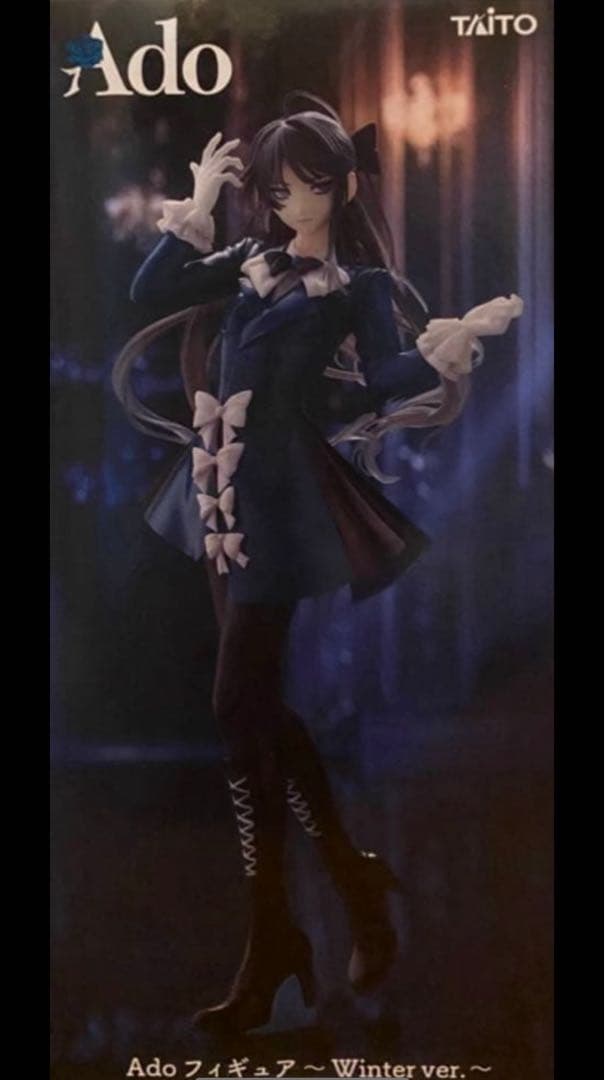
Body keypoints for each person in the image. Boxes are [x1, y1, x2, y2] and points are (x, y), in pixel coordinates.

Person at [112, 90, 522, 1033]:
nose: (290, 202)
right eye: (275, 189)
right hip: (217, 497)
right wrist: (198, 209)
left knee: (234, 704)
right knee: (253, 709)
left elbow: (382, 379)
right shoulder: (246, 260)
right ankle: (340, 888)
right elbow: (148, 296)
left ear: (342, 185)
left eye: (307, 185)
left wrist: (448, 346)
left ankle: (277, 940)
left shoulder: (359, 287)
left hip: (284, 504)